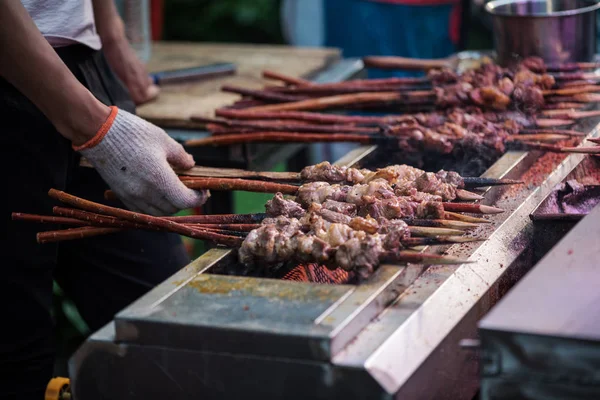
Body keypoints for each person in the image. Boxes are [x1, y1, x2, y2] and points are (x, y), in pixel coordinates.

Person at [0, 1, 210, 398]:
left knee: (169, 330)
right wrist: (97, 127)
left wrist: (111, 38)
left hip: (85, 67)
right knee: (15, 358)